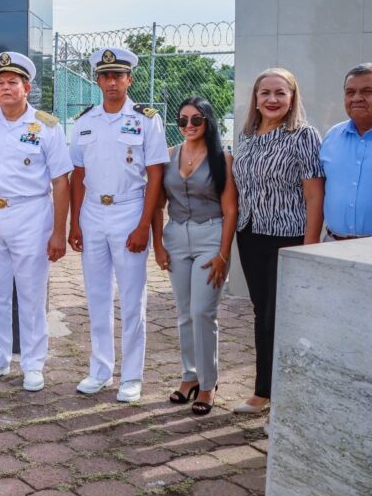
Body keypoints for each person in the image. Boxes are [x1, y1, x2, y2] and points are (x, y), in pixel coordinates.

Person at [0, 52, 72, 391]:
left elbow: (61, 182)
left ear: (27, 87)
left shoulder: (47, 127)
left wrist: (59, 231)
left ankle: (33, 362)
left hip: (31, 215)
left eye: (12, 83)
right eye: (0, 83)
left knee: (31, 292)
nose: (5, 88)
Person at [68, 48, 168, 403]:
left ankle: (132, 376)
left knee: (131, 298)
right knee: (96, 295)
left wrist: (145, 226)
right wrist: (74, 223)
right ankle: (99, 370)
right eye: (105, 76)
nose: (112, 82)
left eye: (118, 76)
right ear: (97, 79)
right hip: (93, 212)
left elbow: (156, 174)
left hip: (129, 210)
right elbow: (78, 175)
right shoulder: (85, 120)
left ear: (129, 79)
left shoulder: (146, 119)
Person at [232, 68, 324, 414]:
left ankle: (284, 393)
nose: (272, 99)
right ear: (255, 98)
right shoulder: (247, 136)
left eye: (280, 93)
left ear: (292, 97)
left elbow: (315, 196)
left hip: (288, 236)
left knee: (279, 316)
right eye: (265, 92)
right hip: (251, 233)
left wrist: (309, 245)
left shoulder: (303, 135)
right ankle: (264, 390)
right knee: (261, 313)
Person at [151, 97, 237, 416]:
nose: (189, 126)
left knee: (203, 311)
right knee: (184, 311)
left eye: (196, 120)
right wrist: (158, 245)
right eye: (183, 120)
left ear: (209, 122)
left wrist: (223, 255)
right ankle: (189, 376)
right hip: (176, 237)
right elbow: (158, 204)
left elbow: (230, 210)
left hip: (210, 236)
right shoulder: (170, 155)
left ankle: (208, 383)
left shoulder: (222, 159)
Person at [320, 63, 372, 241]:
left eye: (367, 91)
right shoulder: (332, 137)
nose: (357, 98)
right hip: (332, 244)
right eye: (350, 92)